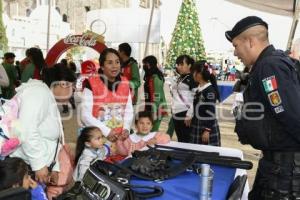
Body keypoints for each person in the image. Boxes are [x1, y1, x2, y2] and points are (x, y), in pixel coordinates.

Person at [226, 16, 300, 199]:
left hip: (283, 172)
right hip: (277, 166)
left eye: (236, 45)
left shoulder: (270, 67)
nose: (235, 53)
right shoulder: (269, 64)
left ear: (250, 42)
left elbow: (292, 116)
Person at [10, 63, 76, 185]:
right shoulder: (39, 93)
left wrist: (54, 167)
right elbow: (27, 130)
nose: (73, 91)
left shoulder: (48, 96)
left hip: (34, 167)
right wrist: (39, 165)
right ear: (63, 84)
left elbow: (52, 139)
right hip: (24, 168)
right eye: (72, 87)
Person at [81, 48, 134, 142]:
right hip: (97, 139)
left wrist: (126, 128)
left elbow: (128, 109)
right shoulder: (91, 84)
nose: (114, 66)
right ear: (102, 66)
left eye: (117, 62)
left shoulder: (125, 82)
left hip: (120, 139)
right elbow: (85, 115)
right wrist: (107, 132)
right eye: (110, 63)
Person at [190, 61, 221, 146]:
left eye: (193, 72)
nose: (192, 74)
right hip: (198, 123)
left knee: (207, 153)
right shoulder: (199, 88)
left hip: (207, 126)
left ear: (199, 74)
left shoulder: (209, 91)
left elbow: (211, 111)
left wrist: (207, 130)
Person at [170, 55, 197, 143]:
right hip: (176, 113)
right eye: (178, 64)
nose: (179, 67)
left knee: (186, 141)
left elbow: (196, 98)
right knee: (180, 140)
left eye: (182, 64)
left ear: (189, 65)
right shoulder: (180, 78)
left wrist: (189, 114)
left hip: (185, 114)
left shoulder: (193, 78)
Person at [142, 55, 168, 131]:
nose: (144, 66)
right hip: (150, 107)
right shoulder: (150, 77)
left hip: (156, 108)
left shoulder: (155, 78)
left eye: (145, 64)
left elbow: (157, 95)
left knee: (152, 131)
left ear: (149, 64)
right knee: (149, 131)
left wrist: (154, 111)